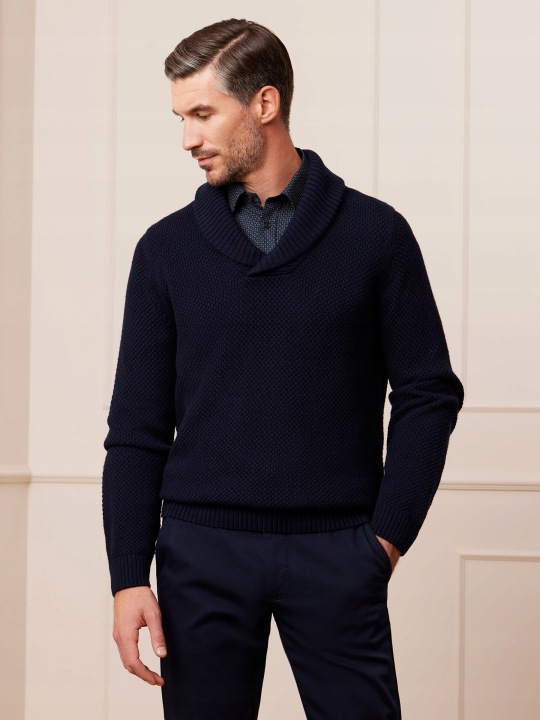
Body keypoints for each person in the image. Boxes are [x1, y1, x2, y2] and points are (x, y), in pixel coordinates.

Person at [102, 18, 464, 720]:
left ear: (263, 104)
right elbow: (137, 429)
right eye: (180, 118)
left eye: (202, 113)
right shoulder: (165, 251)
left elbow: (428, 393)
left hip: (340, 552)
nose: (187, 138)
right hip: (200, 555)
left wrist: (385, 541)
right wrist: (127, 576)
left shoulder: (377, 236)